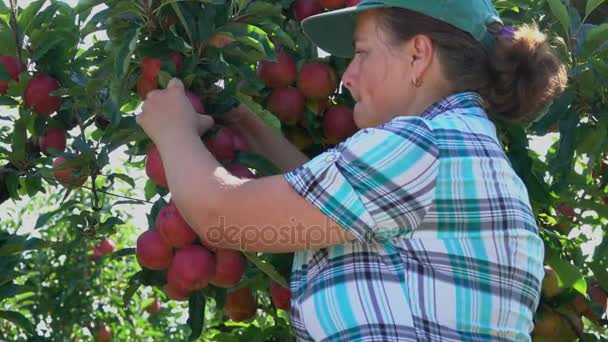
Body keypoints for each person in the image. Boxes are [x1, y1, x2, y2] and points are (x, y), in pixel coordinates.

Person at [135, 0, 568, 340]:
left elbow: (222, 220)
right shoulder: (462, 150)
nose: (347, 76)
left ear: (418, 55)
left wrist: (171, 129)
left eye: (361, 54)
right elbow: (332, 208)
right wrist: (249, 126)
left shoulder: (421, 146)